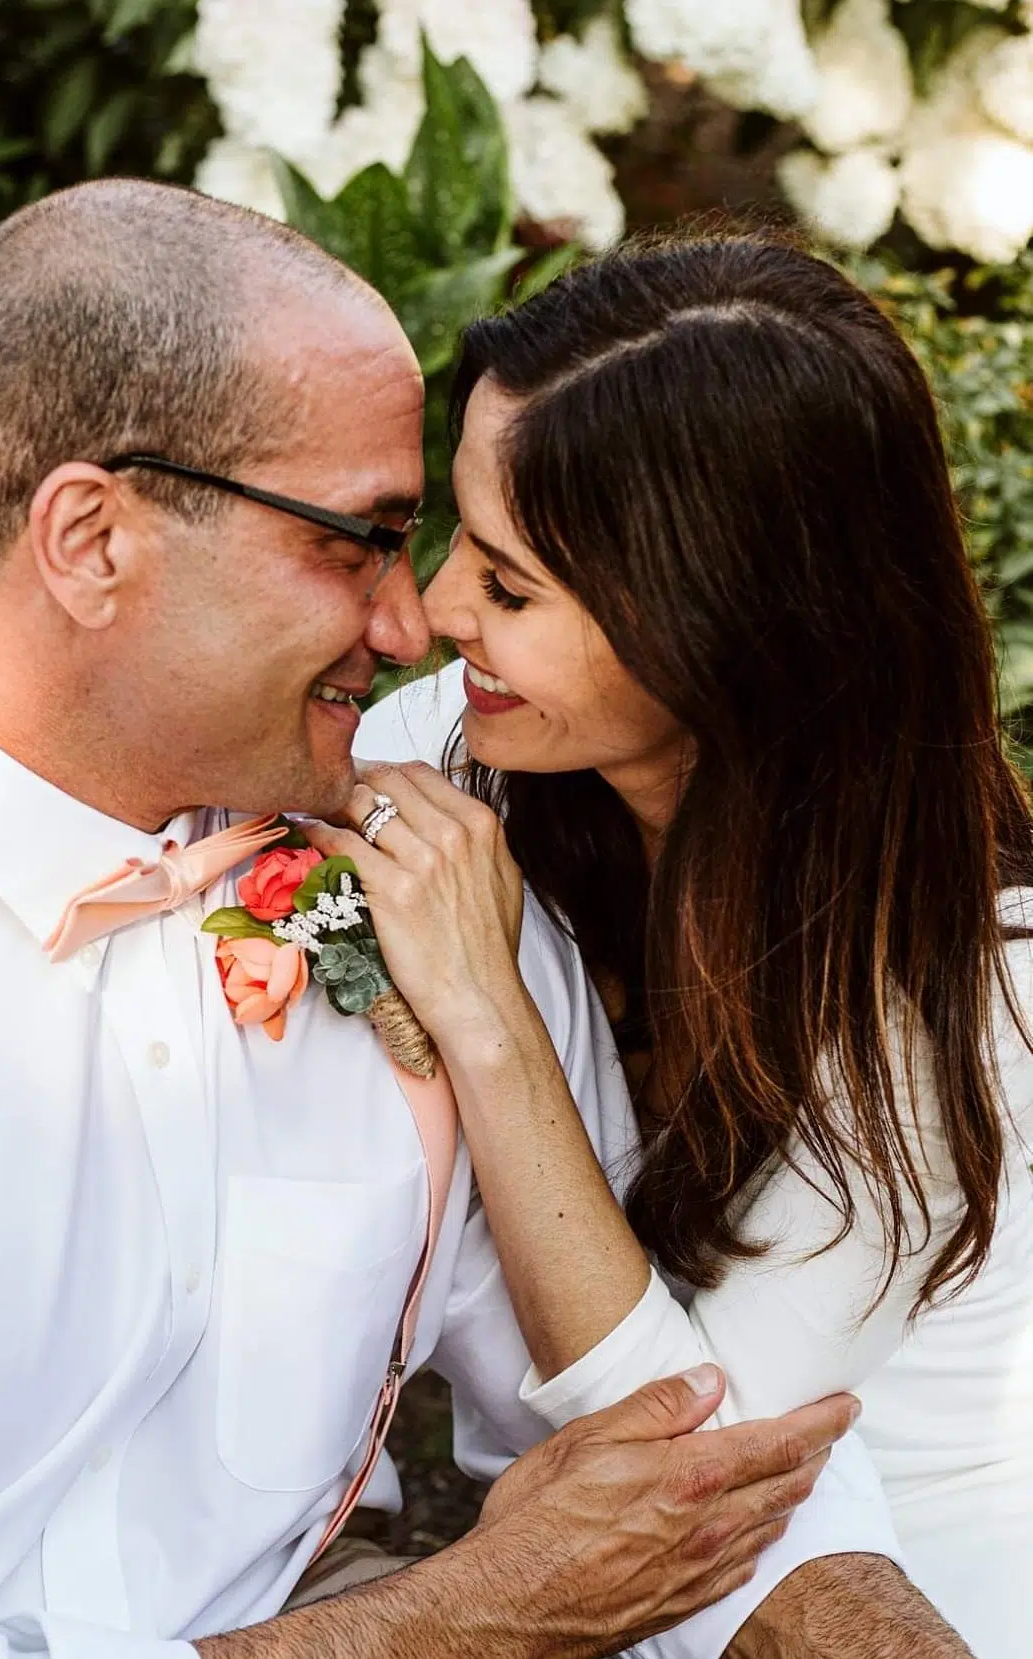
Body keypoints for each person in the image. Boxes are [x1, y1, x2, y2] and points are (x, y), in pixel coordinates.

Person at [0, 185, 957, 1659]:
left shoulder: (425, 888)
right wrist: (463, 1616)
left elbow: (680, 1449)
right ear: (92, 538)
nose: (411, 622)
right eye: (353, 540)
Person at [344, 233, 1033, 1659]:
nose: (427, 611)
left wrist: (485, 1017)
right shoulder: (460, 756)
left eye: (509, 583)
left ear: (717, 629)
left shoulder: (979, 984)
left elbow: (689, 1466)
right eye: (449, 532)